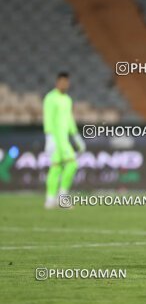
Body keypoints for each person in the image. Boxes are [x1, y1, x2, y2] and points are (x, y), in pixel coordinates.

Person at [43, 72, 86, 209]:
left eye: (66, 82)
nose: (64, 84)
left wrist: (76, 136)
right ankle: (52, 199)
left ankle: (60, 197)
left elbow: (69, 119)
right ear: (57, 82)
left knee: (67, 166)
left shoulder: (67, 99)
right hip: (55, 138)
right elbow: (48, 117)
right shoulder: (50, 98)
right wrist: (49, 136)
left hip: (65, 139)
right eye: (62, 82)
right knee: (58, 167)